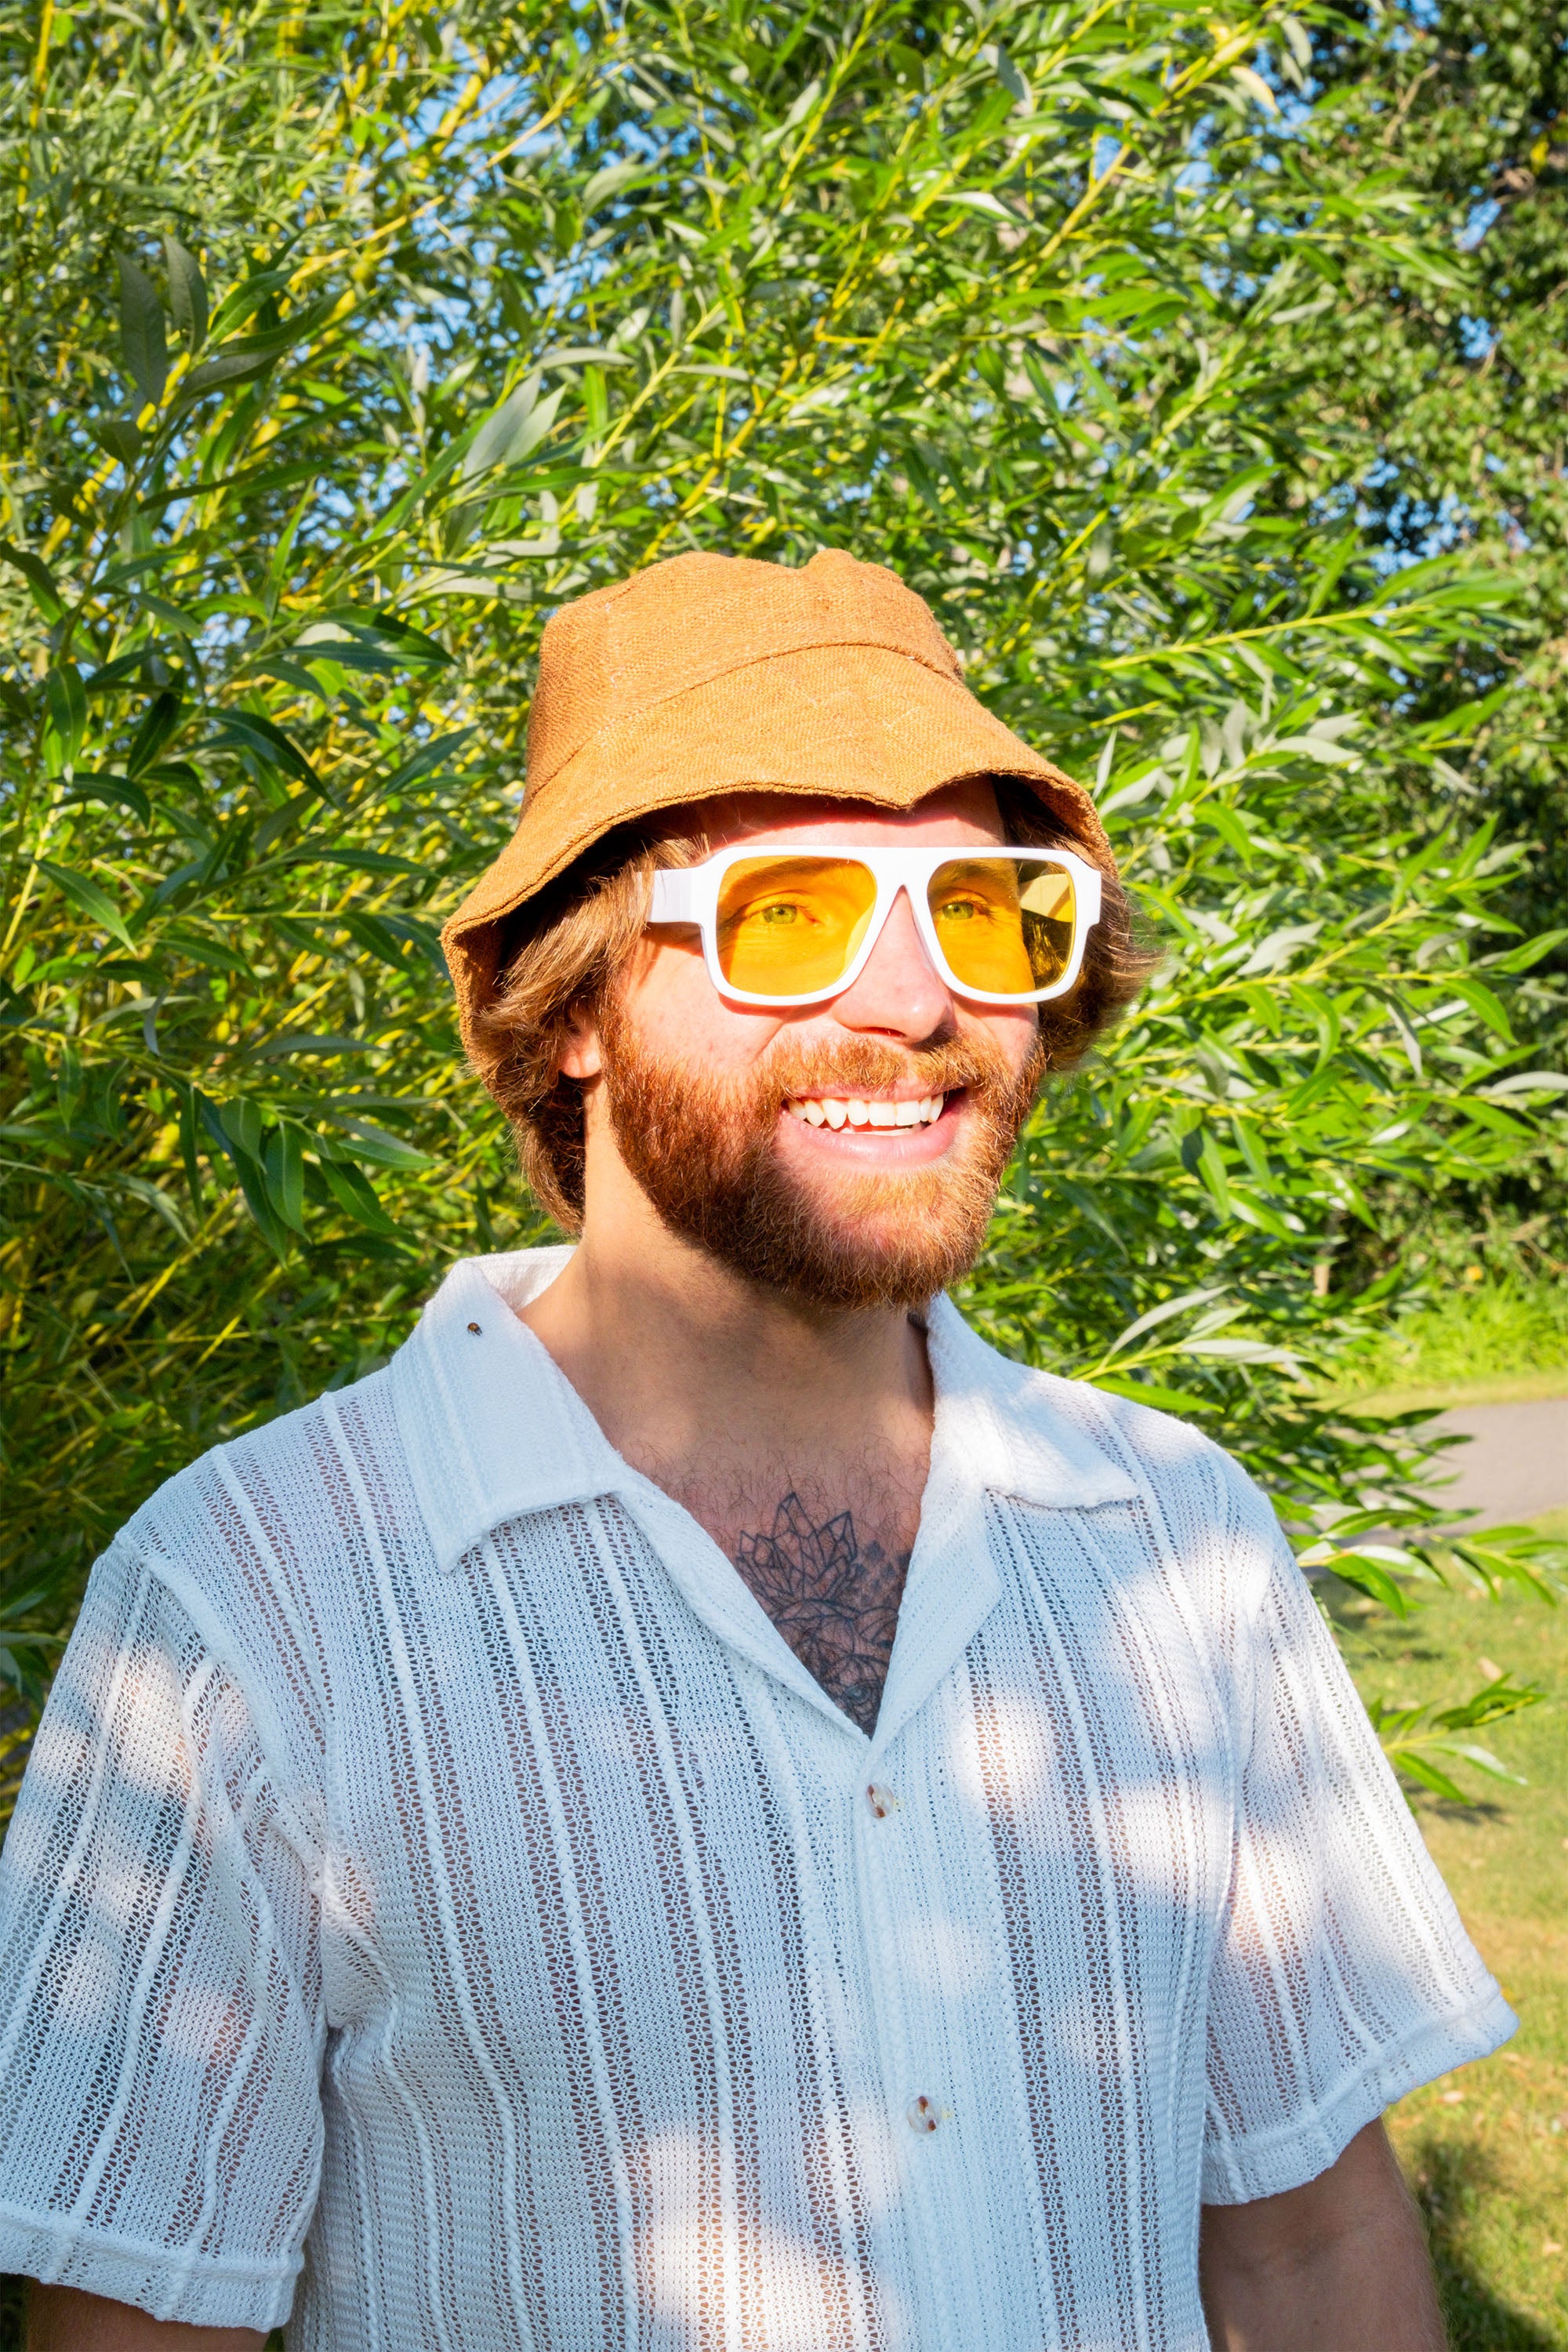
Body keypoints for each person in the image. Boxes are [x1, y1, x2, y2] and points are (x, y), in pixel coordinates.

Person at [0, 551, 1508, 2352]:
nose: (913, 1004)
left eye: (986, 911)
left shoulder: (1175, 1536)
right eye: (789, 915)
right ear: (570, 1005)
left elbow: (1307, 2253)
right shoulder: (255, 1600)